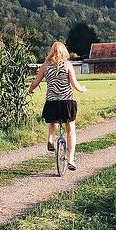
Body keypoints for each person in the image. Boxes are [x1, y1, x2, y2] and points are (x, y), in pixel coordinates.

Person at [28, 42, 87, 170]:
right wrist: (82, 89)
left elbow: (35, 82)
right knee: (70, 130)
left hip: (51, 102)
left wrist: (31, 90)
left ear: (51, 52)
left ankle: (50, 139)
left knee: (53, 121)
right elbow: (75, 85)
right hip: (66, 102)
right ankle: (71, 159)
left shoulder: (45, 66)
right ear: (64, 51)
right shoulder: (67, 65)